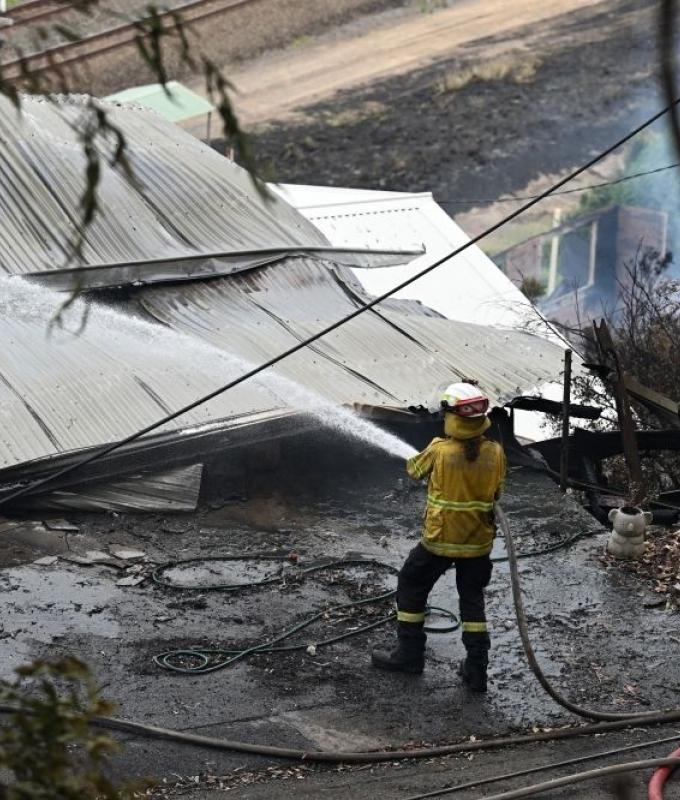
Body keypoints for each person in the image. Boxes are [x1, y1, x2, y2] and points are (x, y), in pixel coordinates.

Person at [372, 381, 506, 692]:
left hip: (439, 541)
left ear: (453, 418)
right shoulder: (496, 452)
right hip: (477, 544)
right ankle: (476, 671)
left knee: (411, 585)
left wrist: (425, 454)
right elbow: (497, 491)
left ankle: (409, 656)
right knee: (472, 603)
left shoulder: (440, 450)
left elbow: (414, 470)